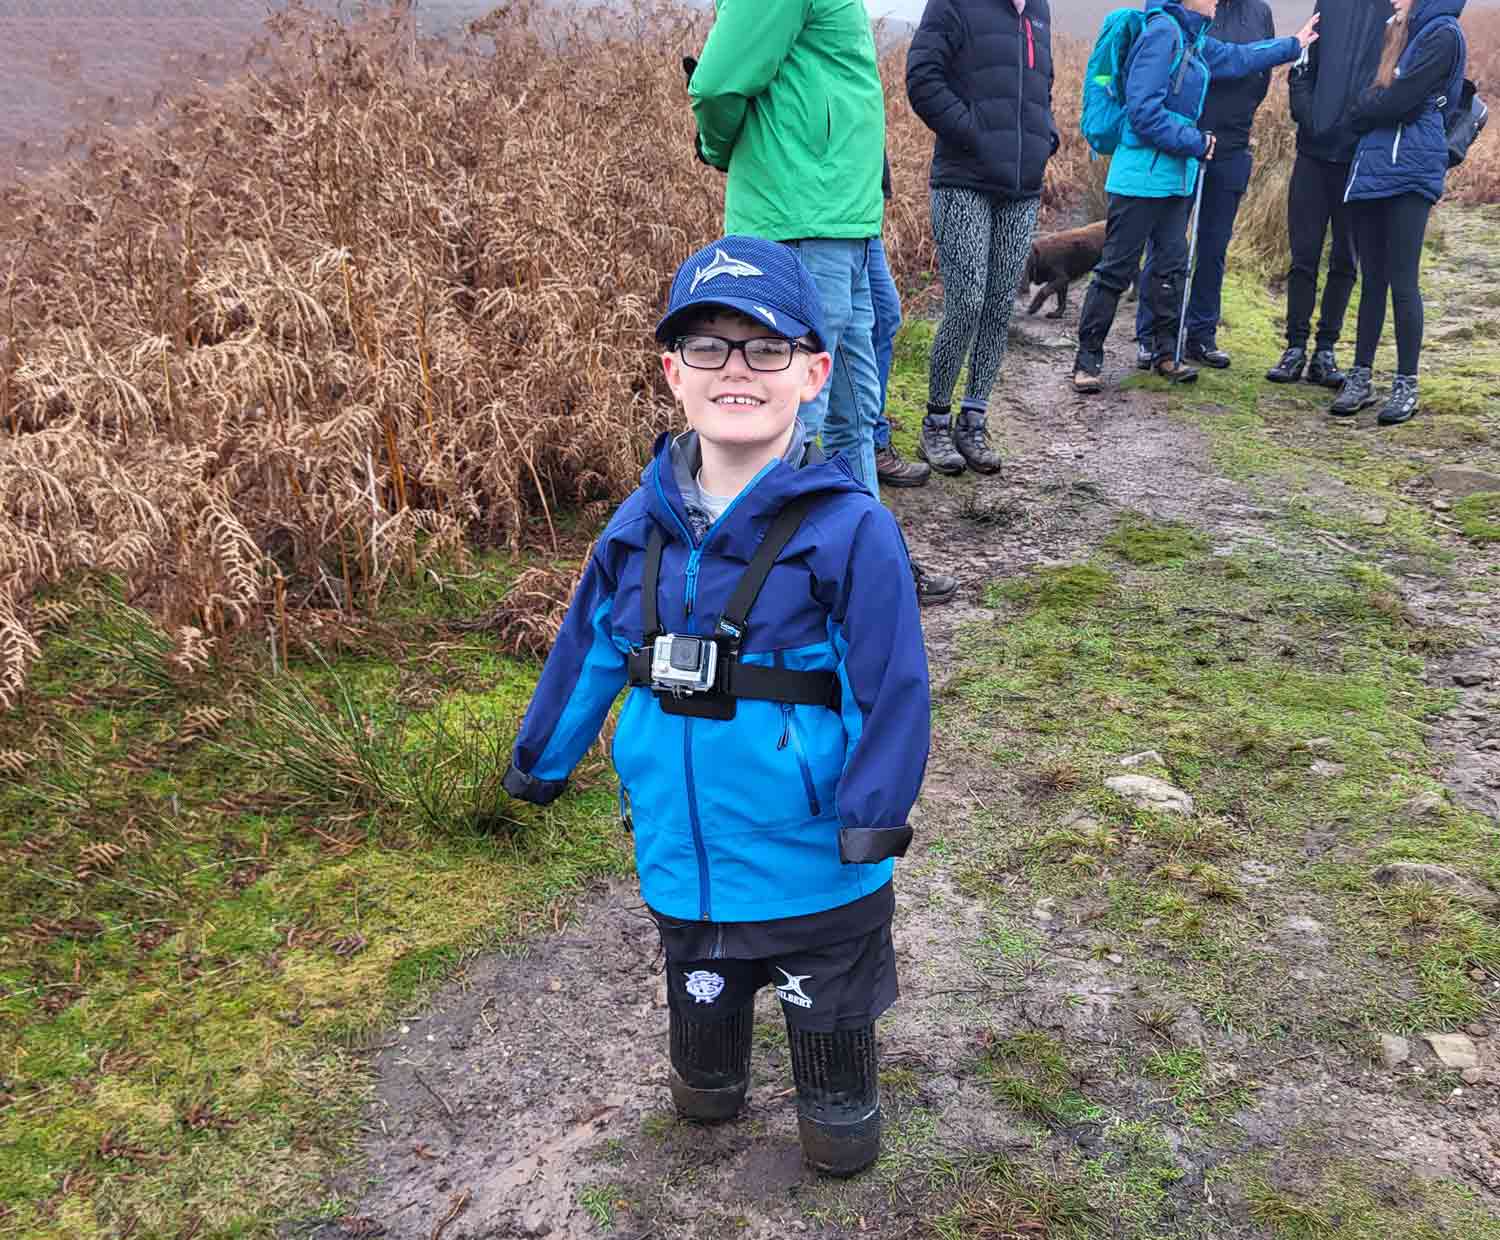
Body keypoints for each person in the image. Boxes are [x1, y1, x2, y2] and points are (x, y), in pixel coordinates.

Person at [502, 236, 931, 1177]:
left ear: (815, 373)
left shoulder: (853, 529)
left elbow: (891, 687)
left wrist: (872, 817)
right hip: (683, 850)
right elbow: (587, 652)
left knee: (837, 1114)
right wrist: (541, 760)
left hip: (819, 864)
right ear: (672, 373)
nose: (736, 370)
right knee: (703, 1070)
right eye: (708, 347)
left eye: (766, 348)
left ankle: (838, 1109)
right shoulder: (634, 529)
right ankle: (709, 1080)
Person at [689, 1, 957, 603]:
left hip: (843, 219)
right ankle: (756, 588)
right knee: (789, 415)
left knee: (852, 412)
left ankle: (867, 563)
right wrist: (719, 147)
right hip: (799, 216)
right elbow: (717, 84)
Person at [1071, 0, 1317, 393]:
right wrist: (1195, 141)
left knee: (1171, 266)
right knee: (1117, 267)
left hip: (1174, 178)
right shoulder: (1162, 34)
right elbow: (1142, 111)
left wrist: (1293, 43)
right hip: (1140, 177)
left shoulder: (1191, 38)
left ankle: (1166, 354)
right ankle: (1088, 361)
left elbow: (1239, 57)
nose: (1218, 1)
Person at [906, 0, 1059, 476]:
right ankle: (935, 421)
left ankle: (973, 420)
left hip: (1021, 187)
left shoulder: (1038, 10)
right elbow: (922, 78)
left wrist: (1043, 136)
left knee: (998, 304)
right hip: (962, 180)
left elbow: (1041, 87)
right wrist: (975, 133)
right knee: (967, 301)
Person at [1328, 0, 1467, 424]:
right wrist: (1371, 103)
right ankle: (1360, 376)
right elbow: (1377, 95)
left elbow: (1397, 102)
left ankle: (1407, 384)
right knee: (1373, 280)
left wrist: (1365, 107)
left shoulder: (1442, 34)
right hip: (1374, 167)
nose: (1392, 0)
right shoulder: (1400, 32)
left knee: (1403, 281)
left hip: (1411, 170)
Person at [1134, 0, 1279, 371]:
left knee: (1214, 246)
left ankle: (1201, 332)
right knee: (1166, 244)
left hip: (1232, 145)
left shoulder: (1259, 12)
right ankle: (1151, 336)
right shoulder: (1185, 7)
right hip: (1183, 142)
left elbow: (1260, 73)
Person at [1267, 0, 1388, 387]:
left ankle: (1326, 351)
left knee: (1344, 261)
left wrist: (1364, 123)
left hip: (1358, 159)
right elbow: (1301, 68)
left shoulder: (1393, 11)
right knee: (1303, 255)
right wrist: (1309, 114)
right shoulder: (1329, 3)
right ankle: (1295, 348)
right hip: (1313, 156)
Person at [872, 160, 931, 489]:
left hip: (860, 209)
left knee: (883, 316)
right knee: (820, 334)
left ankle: (870, 443)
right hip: (823, 209)